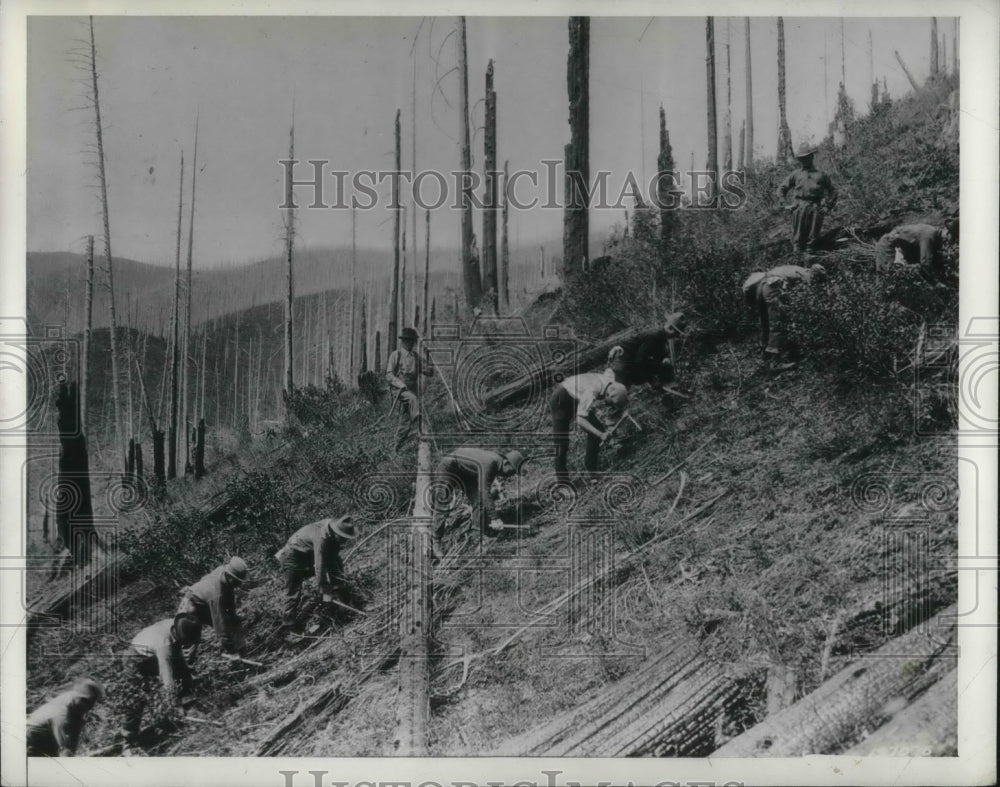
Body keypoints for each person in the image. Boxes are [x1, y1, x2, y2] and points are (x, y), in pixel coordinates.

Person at [121, 616, 201, 745]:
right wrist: (173, 705)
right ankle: (129, 737)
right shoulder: (164, 644)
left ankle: (188, 705)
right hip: (135, 660)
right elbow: (167, 679)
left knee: (182, 670)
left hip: (151, 652)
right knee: (137, 697)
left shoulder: (179, 624)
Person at [274, 516, 357, 628]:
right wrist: (324, 589)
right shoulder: (321, 537)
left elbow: (334, 562)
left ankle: (345, 603)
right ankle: (289, 626)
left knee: (334, 567)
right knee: (293, 591)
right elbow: (319, 565)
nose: (344, 541)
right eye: (343, 537)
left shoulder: (332, 534)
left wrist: (339, 584)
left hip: (306, 555)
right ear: (336, 532)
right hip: (292, 557)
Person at [745, 263, 827, 371]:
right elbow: (804, 303)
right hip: (773, 287)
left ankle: (766, 357)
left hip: (761, 286)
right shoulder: (807, 277)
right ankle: (774, 363)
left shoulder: (799, 270)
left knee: (766, 323)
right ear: (816, 276)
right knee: (779, 323)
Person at [549, 371, 629, 481]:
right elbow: (580, 420)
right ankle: (562, 482)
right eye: (611, 403)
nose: (608, 405)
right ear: (608, 394)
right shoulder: (592, 391)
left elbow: (610, 371)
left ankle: (592, 472)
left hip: (576, 397)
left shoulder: (610, 382)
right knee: (561, 442)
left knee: (596, 430)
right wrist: (601, 435)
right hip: (561, 399)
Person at [433, 448, 526, 541]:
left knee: (479, 500)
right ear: (506, 463)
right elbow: (484, 491)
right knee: (443, 504)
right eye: (513, 471)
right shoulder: (491, 463)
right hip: (449, 468)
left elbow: (484, 494)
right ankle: (436, 540)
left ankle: (476, 533)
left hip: (465, 473)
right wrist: (495, 518)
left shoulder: (496, 464)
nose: (511, 475)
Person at [175, 557, 249, 655]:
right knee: (190, 642)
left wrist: (233, 616)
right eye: (237, 581)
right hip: (190, 608)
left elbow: (229, 598)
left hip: (203, 602)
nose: (239, 584)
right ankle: (186, 667)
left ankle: (242, 651)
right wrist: (231, 650)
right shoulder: (215, 595)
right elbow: (220, 628)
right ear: (229, 576)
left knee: (233, 621)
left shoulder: (223, 572)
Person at [777, 142, 835, 254]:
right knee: (797, 241)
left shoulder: (821, 175)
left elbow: (833, 190)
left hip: (815, 207)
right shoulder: (796, 174)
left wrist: (828, 206)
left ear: (811, 157)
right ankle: (796, 258)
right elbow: (781, 189)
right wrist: (785, 205)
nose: (804, 160)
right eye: (802, 158)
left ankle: (811, 258)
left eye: (807, 157)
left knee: (812, 241)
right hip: (799, 207)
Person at [26, 677, 104, 757]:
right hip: (33, 738)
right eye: (87, 701)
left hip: (45, 735)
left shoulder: (73, 702)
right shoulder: (62, 713)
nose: (90, 706)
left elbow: (74, 735)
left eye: (93, 701)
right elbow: (64, 748)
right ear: (80, 698)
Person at [607, 313, 686, 390]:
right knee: (619, 390)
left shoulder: (661, 336)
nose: (676, 337)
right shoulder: (653, 336)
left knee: (665, 365)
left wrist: (664, 358)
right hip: (623, 357)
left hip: (635, 358)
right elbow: (640, 360)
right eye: (676, 334)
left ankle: (668, 387)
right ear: (670, 328)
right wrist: (651, 380)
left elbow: (659, 353)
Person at [385, 327, 434, 452]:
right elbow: (389, 375)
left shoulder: (416, 357)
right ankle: (418, 420)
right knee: (413, 401)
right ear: (403, 341)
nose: (410, 343)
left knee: (405, 419)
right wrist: (400, 383)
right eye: (407, 341)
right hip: (399, 390)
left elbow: (429, 372)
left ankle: (397, 447)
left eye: (412, 341)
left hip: (413, 390)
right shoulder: (396, 355)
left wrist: (429, 357)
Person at [874, 223, 951, 280]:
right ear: (947, 233)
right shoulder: (929, 235)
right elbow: (925, 261)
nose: (948, 241)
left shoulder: (933, 232)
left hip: (899, 248)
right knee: (886, 276)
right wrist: (934, 282)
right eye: (950, 238)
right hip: (888, 245)